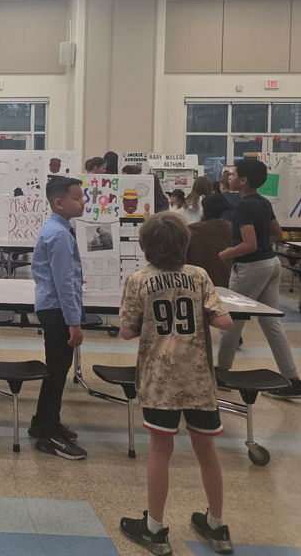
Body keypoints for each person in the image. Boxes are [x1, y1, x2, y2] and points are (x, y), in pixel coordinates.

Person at [118, 213, 234, 556]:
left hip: (159, 379)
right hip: (198, 378)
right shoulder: (199, 277)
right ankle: (216, 523)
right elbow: (224, 321)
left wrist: (152, 325)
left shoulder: (139, 279)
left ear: (145, 246)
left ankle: (154, 528)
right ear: (185, 244)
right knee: (207, 452)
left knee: (160, 450)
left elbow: (126, 331)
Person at [217, 158, 301, 400]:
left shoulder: (244, 206)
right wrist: (259, 251)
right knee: (271, 323)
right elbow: (276, 234)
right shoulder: (263, 202)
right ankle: (294, 381)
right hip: (271, 264)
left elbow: (249, 244)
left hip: (251, 268)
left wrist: (226, 253)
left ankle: (221, 373)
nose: (230, 178)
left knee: (232, 320)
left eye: (234, 174)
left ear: (244, 180)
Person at [29, 176, 87, 460]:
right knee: (56, 371)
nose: (83, 201)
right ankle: (47, 432)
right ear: (58, 202)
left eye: (82, 196)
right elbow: (64, 282)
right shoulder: (60, 234)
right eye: (77, 197)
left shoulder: (57, 228)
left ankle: (43, 420)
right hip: (57, 311)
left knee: (57, 370)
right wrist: (74, 322)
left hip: (52, 306)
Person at [186, 194, 234, 288]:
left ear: (203, 210)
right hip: (225, 282)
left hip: (197, 282)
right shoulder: (230, 228)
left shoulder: (190, 230)